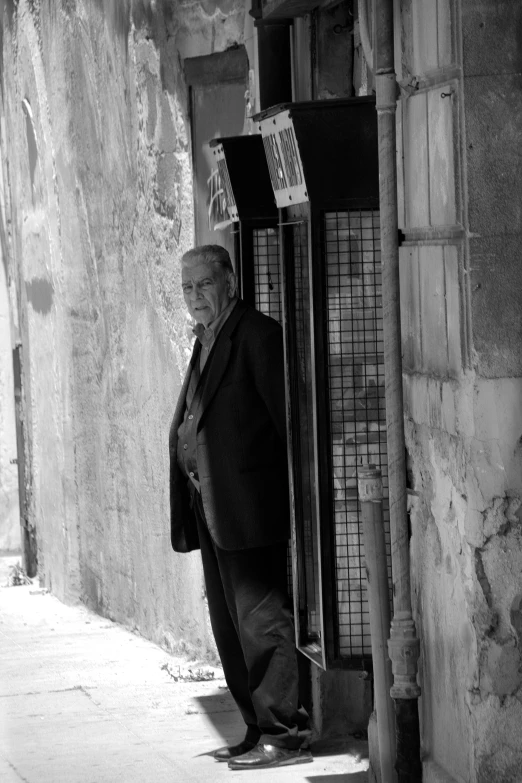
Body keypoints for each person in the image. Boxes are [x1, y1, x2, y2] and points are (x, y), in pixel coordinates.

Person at [169, 244, 311, 770]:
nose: (195, 296)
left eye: (204, 283)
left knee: (262, 624)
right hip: (213, 508)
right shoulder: (207, 340)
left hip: (249, 509)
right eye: (187, 288)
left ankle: (285, 735)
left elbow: (286, 426)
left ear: (229, 280)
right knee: (230, 627)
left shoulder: (257, 335)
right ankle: (257, 728)